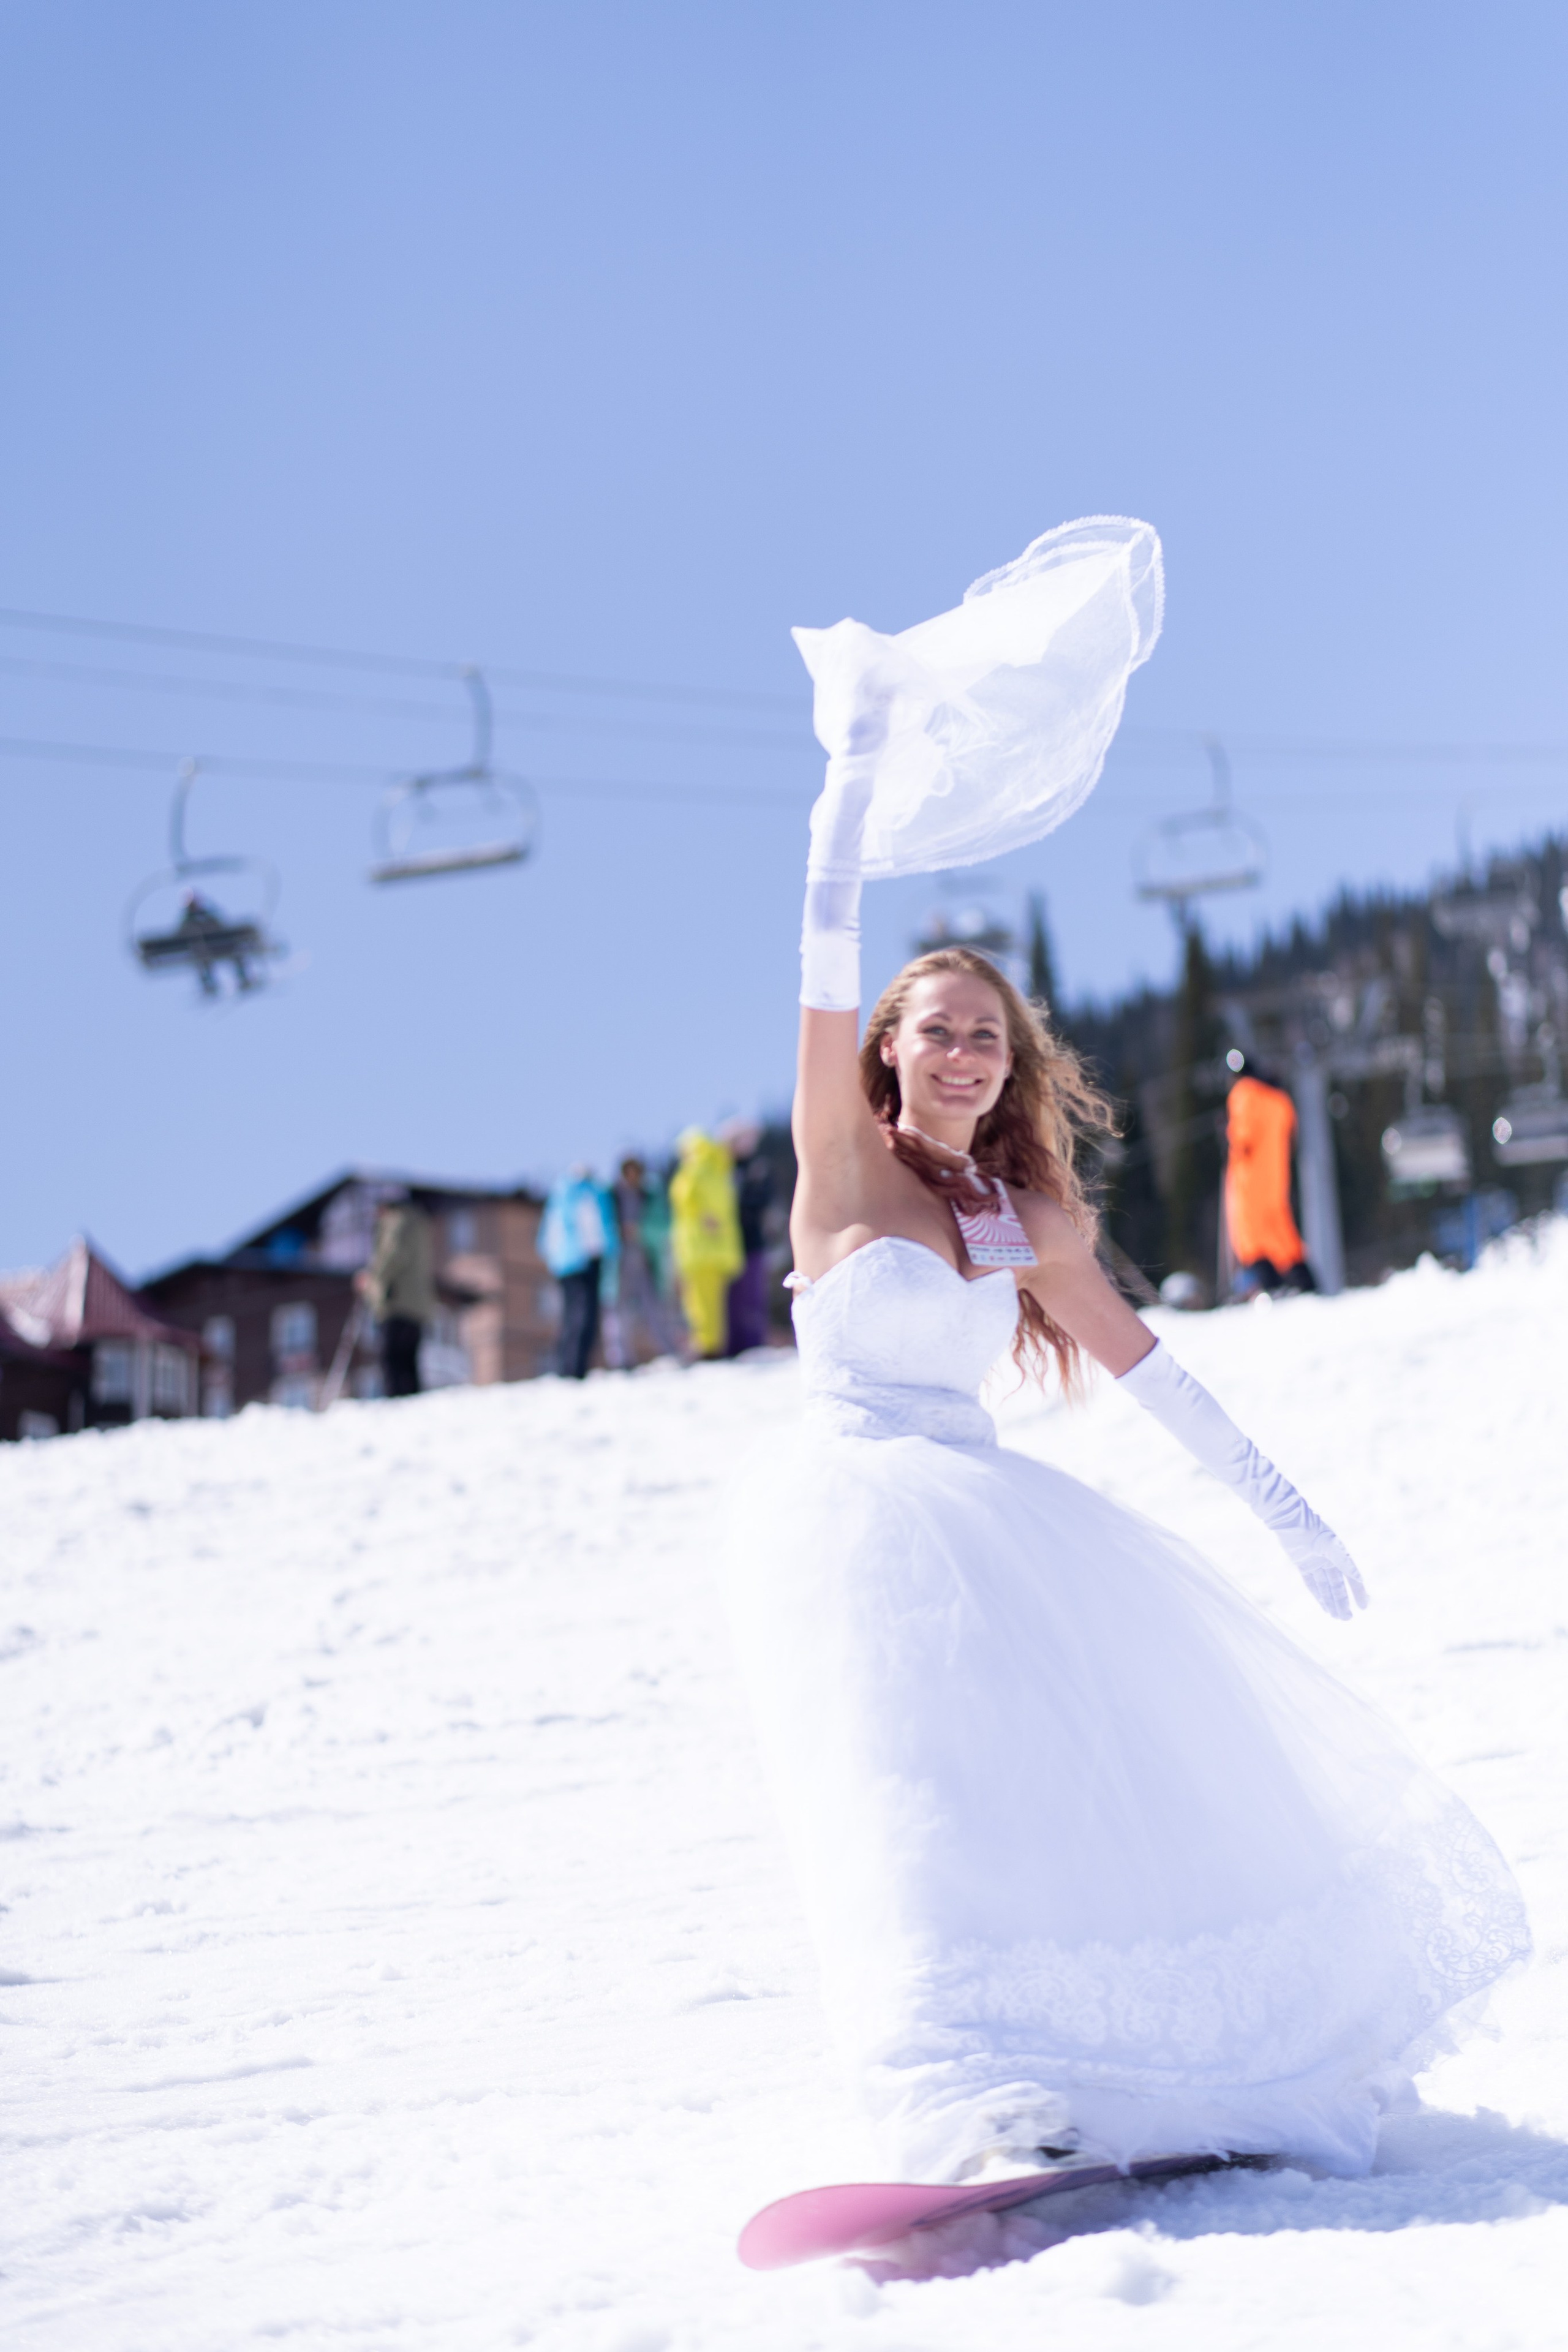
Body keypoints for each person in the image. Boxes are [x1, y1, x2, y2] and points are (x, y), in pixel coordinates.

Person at [721, 520, 1528, 2192]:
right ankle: (948, 2093)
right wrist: (849, 776)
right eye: (931, 1029)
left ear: (1006, 1070)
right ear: (886, 1054)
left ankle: (1082, 2083)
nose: (956, 1052)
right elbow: (817, 936)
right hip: (863, 1523)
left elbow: (1153, 1372)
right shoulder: (843, 1167)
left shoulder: (1026, 1216)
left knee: (1036, 1805)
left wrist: (1286, 1508)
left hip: (993, 1524)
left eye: (984, 1038)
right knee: (905, 1807)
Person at [1225, 1063, 1316, 1297]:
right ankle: (1305, 1282)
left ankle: (1271, 1285)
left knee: (1253, 1237)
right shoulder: (1279, 1100)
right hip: (1276, 1178)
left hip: (1251, 1180)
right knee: (1283, 1235)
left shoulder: (1244, 1093)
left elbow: (1243, 1138)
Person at [603, 1155, 685, 1367]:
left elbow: (663, 1224)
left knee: (655, 1306)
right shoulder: (611, 1196)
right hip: (618, 1262)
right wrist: (619, 1232)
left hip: (646, 1259)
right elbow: (603, 1228)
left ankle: (670, 1351)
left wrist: (641, 1232)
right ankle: (620, 1359)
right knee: (619, 1311)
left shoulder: (649, 1195)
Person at [668, 1128, 743, 1360]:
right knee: (716, 1303)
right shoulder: (720, 1171)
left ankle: (705, 1347)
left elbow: (681, 1197)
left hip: (697, 1248)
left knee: (698, 1302)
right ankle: (716, 1345)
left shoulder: (693, 1170)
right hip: (720, 1249)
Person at [540, 1166, 617, 1380]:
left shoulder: (558, 1196)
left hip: (563, 1265)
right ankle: (576, 1368)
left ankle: (566, 1366)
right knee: (585, 1316)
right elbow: (598, 1231)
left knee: (569, 1316)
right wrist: (607, 1252)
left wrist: (553, 1261)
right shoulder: (588, 1193)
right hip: (585, 1260)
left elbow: (546, 1237)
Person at [358, 1193, 435, 1398]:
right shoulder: (417, 1221)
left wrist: (372, 1277)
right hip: (417, 1305)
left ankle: (397, 1406)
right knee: (409, 1362)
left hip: (397, 1302)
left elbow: (393, 1256)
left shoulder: (397, 1222)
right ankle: (413, 1406)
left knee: (392, 1360)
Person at [717, 1118, 775, 1355]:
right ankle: (733, 1345)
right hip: (726, 1243)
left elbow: (764, 1199)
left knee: (752, 1294)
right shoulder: (723, 1169)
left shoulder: (758, 1168)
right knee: (732, 1298)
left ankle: (753, 1343)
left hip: (752, 1240)